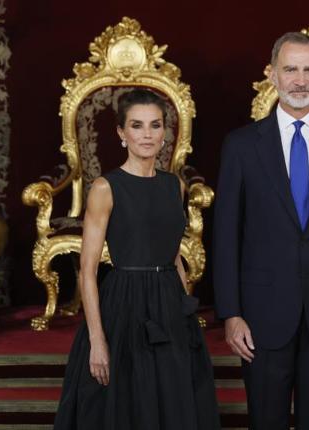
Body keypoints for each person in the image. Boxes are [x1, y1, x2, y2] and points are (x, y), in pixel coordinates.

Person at [213, 32, 309, 429]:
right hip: (262, 316)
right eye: (290, 69)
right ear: (272, 75)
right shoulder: (241, 145)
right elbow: (225, 236)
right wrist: (230, 313)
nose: (300, 80)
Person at [54, 89, 220, 430]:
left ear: (165, 131)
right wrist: (98, 341)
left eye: (155, 125)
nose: (147, 134)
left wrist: (186, 309)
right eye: (137, 125)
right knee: (129, 402)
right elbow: (87, 272)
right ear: (121, 133)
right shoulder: (105, 187)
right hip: (125, 304)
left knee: (172, 400)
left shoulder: (174, 185)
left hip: (169, 304)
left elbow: (174, 256)